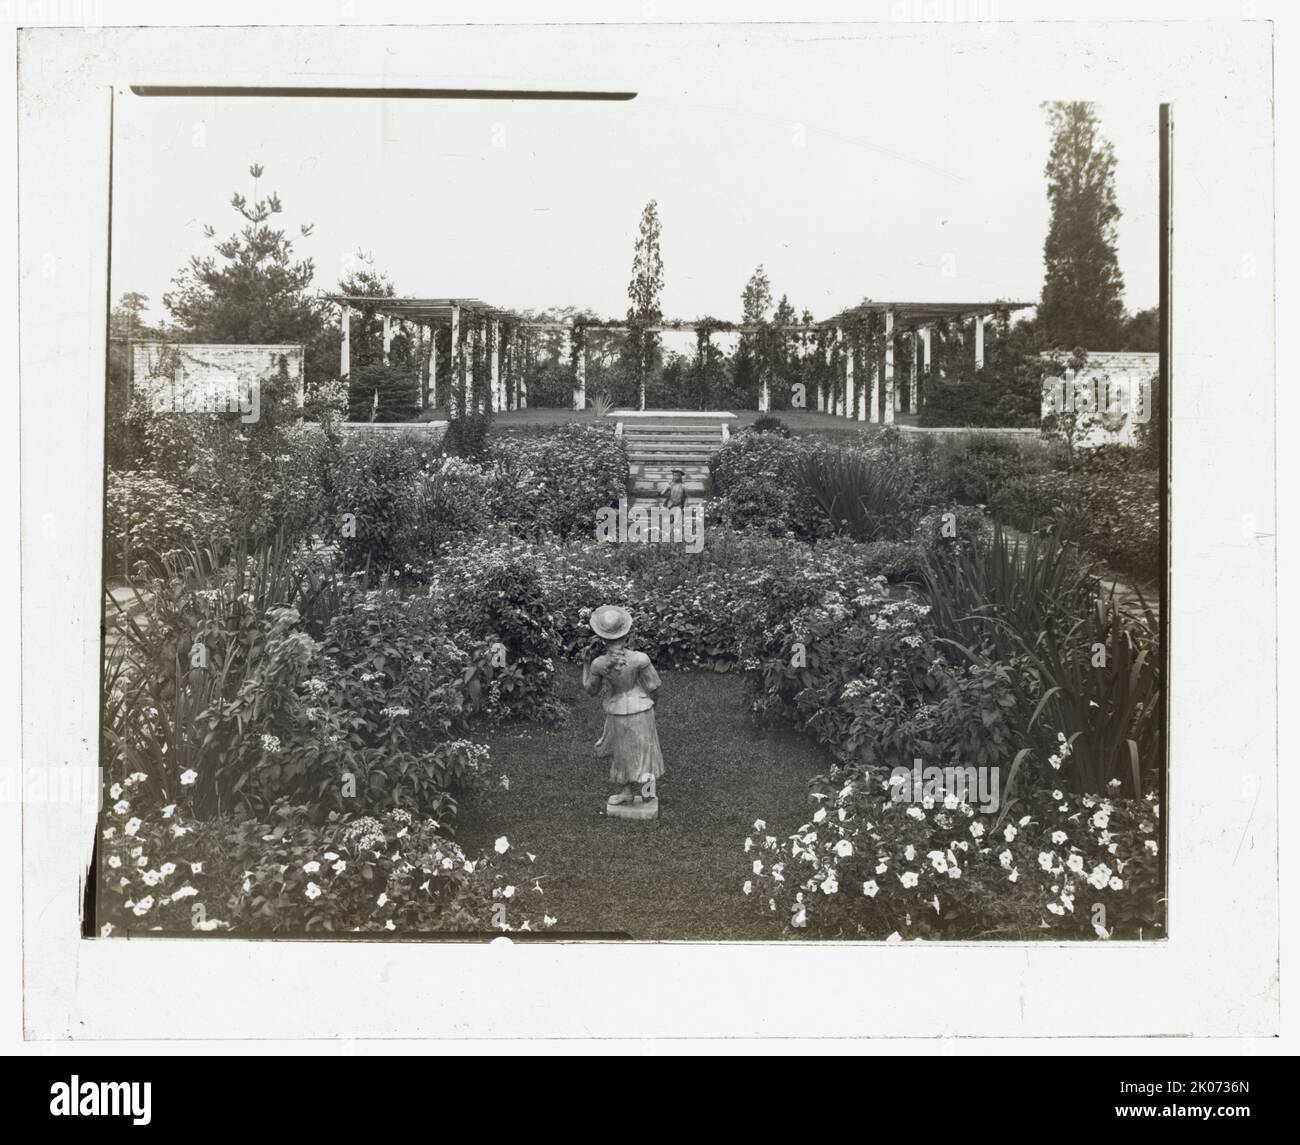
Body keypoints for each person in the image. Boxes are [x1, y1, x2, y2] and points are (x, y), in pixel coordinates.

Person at [582, 604, 664, 808]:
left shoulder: (598, 664)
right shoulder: (640, 659)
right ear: (626, 634)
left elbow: (590, 690)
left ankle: (626, 791)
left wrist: (585, 664)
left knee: (622, 752)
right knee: (645, 750)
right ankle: (647, 793)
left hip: (617, 709)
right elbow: (653, 686)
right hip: (642, 708)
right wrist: (653, 704)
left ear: (602, 637)